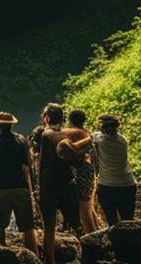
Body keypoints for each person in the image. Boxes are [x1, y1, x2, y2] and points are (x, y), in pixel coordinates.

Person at [37, 103, 91, 264]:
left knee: (49, 228)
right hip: (68, 184)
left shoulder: (47, 135)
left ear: (46, 117)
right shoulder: (69, 134)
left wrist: (39, 187)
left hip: (50, 187)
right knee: (77, 225)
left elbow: (43, 165)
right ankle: (89, 255)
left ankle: (50, 261)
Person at [0, 111, 37, 254]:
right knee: (28, 227)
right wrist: (30, 189)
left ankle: (1, 256)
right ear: (12, 125)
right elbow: (28, 165)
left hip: (1, 188)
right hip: (20, 187)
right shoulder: (22, 140)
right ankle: (34, 257)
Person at [91, 113, 137, 226]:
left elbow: (90, 137)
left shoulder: (99, 140)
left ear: (102, 127)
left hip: (107, 186)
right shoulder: (123, 140)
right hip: (128, 184)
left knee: (112, 222)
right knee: (128, 220)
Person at [68, 109, 100, 234]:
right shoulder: (87, 133)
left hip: (82, 172)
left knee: (85, 209)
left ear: (70, 121)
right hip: (90, 171)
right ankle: (97, 231)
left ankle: (92, 237)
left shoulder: (75, 134)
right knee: (89, 206)